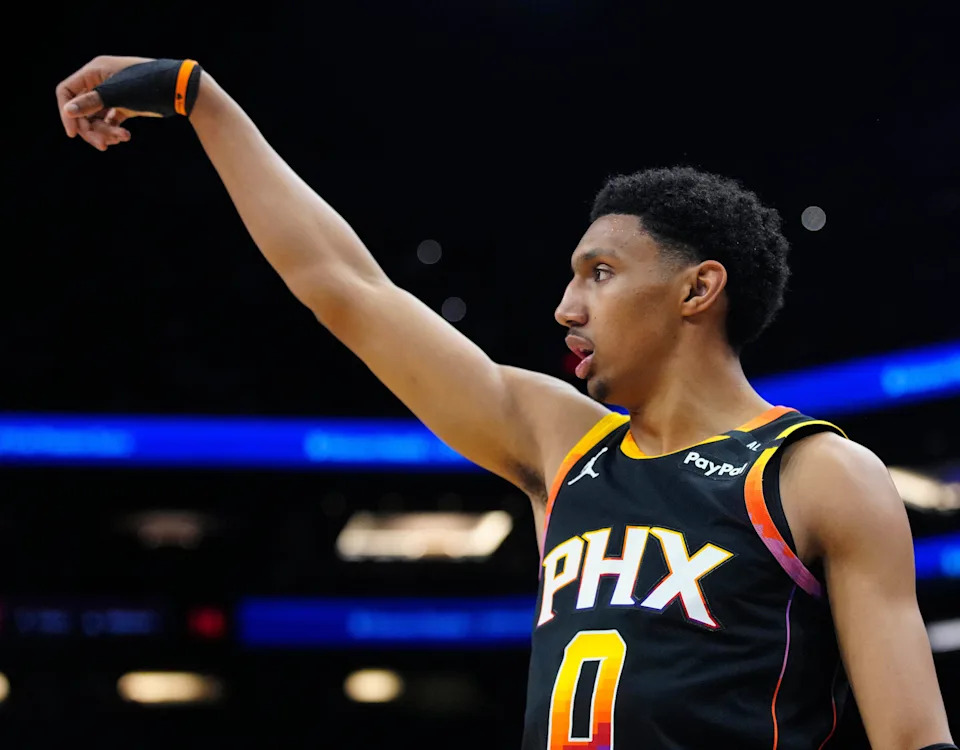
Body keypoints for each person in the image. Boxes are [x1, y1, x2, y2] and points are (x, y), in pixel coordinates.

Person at [56, 56, 955, 750]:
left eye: (599, 274)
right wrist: (200, 97)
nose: (566, 308)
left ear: (697, 289)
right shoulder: (559, 441)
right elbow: (344, 288)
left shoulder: (817, 474)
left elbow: (914, 738)